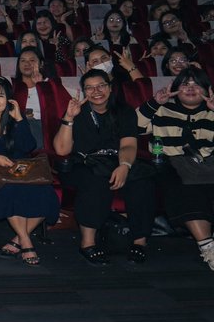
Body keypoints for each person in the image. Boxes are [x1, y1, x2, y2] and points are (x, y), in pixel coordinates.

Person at [53, 68, 155, 267]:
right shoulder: (78, 112)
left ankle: (139, 242)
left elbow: (128, 145)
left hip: (116, 160)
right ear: (84, 92)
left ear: (109, 88)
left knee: (143, 181)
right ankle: (87, 243)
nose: (96, 91)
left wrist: (124, 165)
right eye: (89, 88)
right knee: (95, 182)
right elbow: (62, 149)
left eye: (100, 86)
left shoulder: (124, 111)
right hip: (83, 164)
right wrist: (69, 118)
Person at [0, 77, 60, 265]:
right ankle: (26, 241)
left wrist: (19, 120)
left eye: (1, 95)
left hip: (19, 171)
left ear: (9, 99)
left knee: (47, 193)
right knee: (9, 190)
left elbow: (29, 146)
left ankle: (17, 239)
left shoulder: (16, 117)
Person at [136, 70, 214, 272]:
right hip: (171, 163)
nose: (190, 88)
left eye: (197, 85)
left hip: (206, 164)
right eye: (185, 84)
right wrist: (154, 103)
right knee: (184, 185)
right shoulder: (162, 110)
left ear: (207, 91)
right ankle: (209, 248)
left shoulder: (211, 112)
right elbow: (132, 127)